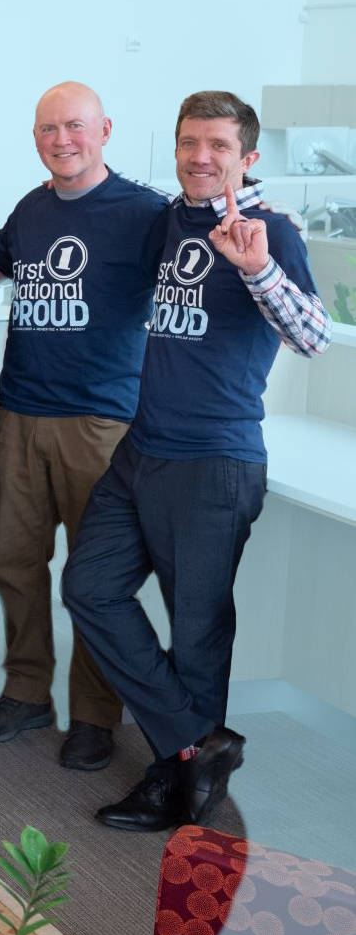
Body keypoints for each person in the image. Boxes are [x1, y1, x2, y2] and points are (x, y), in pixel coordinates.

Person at [62, 91, 330, 833]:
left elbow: (313, 336)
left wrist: (258, 270)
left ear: (248, 157)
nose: (201, 157)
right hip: (141, 448)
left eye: (218, 145)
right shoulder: (170, 219)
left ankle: (178, 788)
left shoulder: (269, 228)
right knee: (89, 586)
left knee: (198, 630)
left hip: (214, 461)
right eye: (190, 143)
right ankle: (195, 743)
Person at [0, 82, 168, 771]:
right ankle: (27, 691)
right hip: (19, 412)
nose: (62, 139)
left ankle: (98, 715)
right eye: (48, 129)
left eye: (75, 126)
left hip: (100, 421)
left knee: (95, 576)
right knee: (16, 564)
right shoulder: (35, 207)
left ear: (105, 128)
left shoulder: (144, 212)